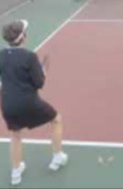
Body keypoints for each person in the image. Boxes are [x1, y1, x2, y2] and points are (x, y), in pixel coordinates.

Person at [0, 20, 68, 186]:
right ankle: (57, 157)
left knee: (15, 135)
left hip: (7, 103)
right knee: (56, 119)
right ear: (23, 37)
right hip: (28, 102)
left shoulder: (1, 54)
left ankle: (16, 173)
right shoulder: (30, 57)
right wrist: (43, 74)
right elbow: (39, 84)